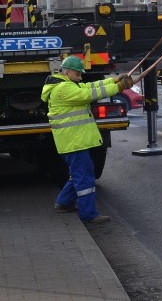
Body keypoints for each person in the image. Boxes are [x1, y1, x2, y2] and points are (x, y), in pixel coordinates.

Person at [41, 56, 135, 223]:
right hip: (74, 142)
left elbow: (90, 86)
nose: (81, 77)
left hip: (72, 141)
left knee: (80, 173)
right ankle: (89, 214)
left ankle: (63, 203)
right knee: (84, 177)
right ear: (67, 71)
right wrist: (118, 87)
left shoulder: (65, 84)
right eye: (78, 74)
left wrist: (113, 81)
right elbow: (88, 94)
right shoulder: (64, 89)